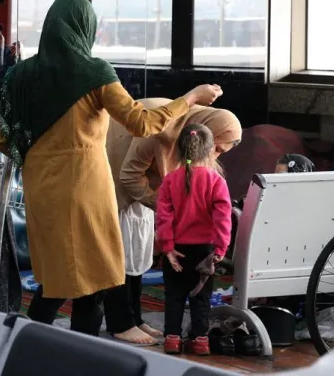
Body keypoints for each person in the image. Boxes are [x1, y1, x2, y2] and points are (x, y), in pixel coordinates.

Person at [0, 0, 223, 337]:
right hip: (85, 187)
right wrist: (190, 99)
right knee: (93, 271)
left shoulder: (19, 76)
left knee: (57, 272)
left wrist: (38, 158)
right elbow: (142, 123)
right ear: (85, 28)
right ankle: (81, 347)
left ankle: (24, 343)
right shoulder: (95, 72)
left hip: (40, 187)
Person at [103, 101, 242, 345]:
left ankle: (139, 320)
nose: (215, 155)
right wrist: (219, 247)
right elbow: (128, 175)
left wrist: (167, 238)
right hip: (120, 185)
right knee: (121, 258)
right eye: (216, 149)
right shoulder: (162, 128)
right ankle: (121, 323)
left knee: (138, 260)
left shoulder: (185, 148)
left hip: (149, 201)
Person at [156, 123, 233, 356]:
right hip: (205, 251)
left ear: (179, 151)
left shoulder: (170, 180)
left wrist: (167, 248)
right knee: (202, 297)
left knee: (174, 296)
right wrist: (220, 248)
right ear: (211, 150)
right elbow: (223, 216)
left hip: (177, 250)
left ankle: (172, 339)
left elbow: (164, 216)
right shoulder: (216, 180)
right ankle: (200, 341)